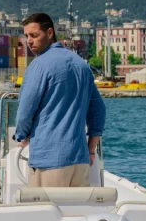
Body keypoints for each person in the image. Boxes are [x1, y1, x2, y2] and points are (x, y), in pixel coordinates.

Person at [15, 12, 106, 187]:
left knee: (44, 212)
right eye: (26, 36)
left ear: (50, 33)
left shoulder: (39, 65)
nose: (29, 41)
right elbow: (98, 111)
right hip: (80, 160)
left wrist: (22, 136)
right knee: (76, 213)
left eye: (34, 35)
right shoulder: (82, 65)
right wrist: (91, 149)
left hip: (49, 161)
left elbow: (25, 111)